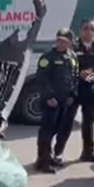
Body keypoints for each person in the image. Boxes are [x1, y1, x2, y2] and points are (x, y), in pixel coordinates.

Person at [59, 19, 94, 163]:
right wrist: (79, 74)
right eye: (85, 29)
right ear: (80, 30)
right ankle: (57, 154)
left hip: (92, 90)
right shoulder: (73, 46)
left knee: (89, 122)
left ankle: (88, 152)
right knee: (67, 122)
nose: (89, 32)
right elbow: (64, 66)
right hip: (75, 89)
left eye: (92, 29)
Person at [34, 28, 78, 174]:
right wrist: (49, 97)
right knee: (46, 131)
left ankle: (50, 157)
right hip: (51, 101)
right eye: (58, 40)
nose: (60, 43)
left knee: (59, 129)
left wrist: (72, 94)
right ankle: (43, 161)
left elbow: (74, 77)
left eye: (64, 41)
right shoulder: (48, 57)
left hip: (65, 101)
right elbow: (42, 78)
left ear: (70, 43)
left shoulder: (72, 57)